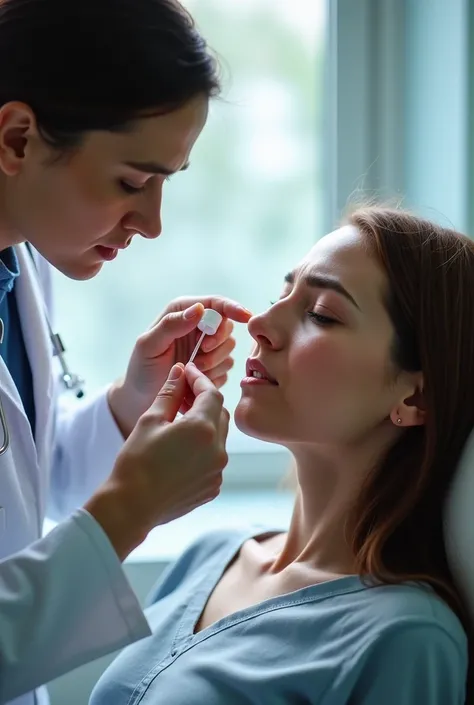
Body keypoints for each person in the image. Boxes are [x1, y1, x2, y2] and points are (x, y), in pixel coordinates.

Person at [90, 206, 473, 705]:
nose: (261, 323)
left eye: (321, 314)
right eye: (282, 294)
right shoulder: (211, 556)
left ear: (414, 398)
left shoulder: (407, 638)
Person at [0, 0, 252, 703]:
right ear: (17, 139)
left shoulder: (25, 260)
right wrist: (133, 505)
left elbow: (23, 488)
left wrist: (129, 405)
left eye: (167, 182)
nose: (152, 222)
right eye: (133, 183)